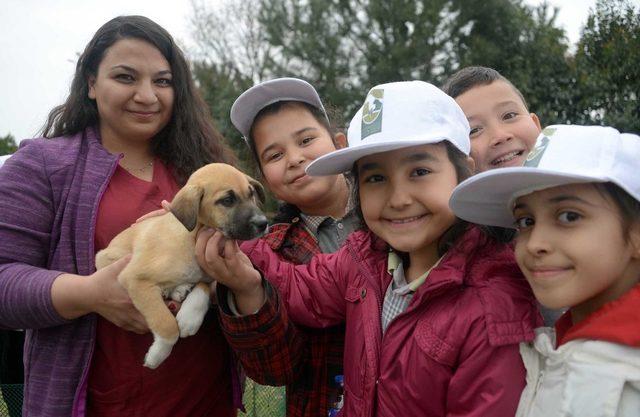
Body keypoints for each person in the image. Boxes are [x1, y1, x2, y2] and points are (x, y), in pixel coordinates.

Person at [196, 81, 541, 417]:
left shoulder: (493, 303)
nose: (399, 198)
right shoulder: (367, 257)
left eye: (419, 171)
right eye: (376, 178)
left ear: (463, 168)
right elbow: (301, 288)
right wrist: (235, 246)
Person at [0, 15, 240, 417]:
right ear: (91, 83)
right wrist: (91, 293)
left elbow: (250, 261)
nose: (147, 95)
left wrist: (212, 284)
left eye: (163, 81)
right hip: (96, 403)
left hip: (204, 400)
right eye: (126, 77)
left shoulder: (204, 172)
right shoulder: (41, 164)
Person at [449, 124, 640, 417]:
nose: (535, 243)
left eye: (568, 216)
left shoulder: (627, 380)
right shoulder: (566, 343)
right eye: (525, 221)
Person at [221, 78, 357, 417]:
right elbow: (275, 369)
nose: (295, 159)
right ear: (264, 181)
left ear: (340, 144)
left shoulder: (395, 211)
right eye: (275, 154)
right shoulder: (266, 254)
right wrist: (248, 288)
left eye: (307, 140)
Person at [441, 66, 565, 326]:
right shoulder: (459, 248)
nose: (500, 136)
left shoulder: (599, 196)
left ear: (536, 124)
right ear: (457, 157)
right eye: (473, 130)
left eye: (509, 115)